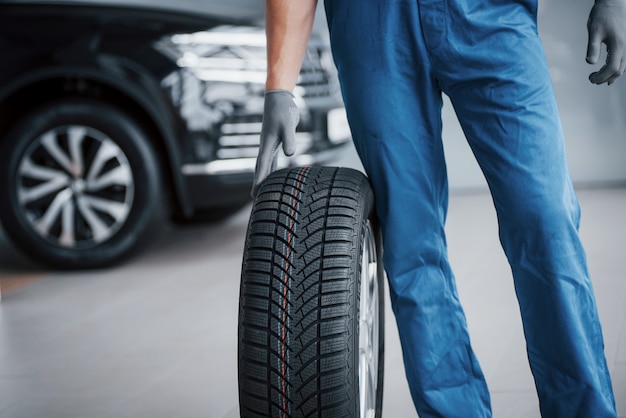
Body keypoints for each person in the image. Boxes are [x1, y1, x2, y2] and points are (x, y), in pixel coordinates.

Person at [252, 0, 626, 416]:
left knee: (546, 221)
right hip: (372, 23)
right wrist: (279, 85)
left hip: (490, 14)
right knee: (411, 245)